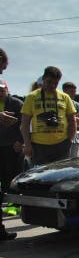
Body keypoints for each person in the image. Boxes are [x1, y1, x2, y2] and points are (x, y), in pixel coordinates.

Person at [20, 66, 77, 166]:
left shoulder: (65, 97)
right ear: (43, 79)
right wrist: (27, 144)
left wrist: (69, 140)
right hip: (39, 146)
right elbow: (25, 123)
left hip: (61, 145)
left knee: (60, 176)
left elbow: (72, 121)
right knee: (41, 178)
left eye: (56, 83)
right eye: (49, 82)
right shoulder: (31, 97)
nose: (52, 85)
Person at [0, 78, 22, 241]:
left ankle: (12, 209)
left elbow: (25, 123)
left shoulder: (16, 103)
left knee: (11, 180)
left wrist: (20, 141)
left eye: (2, 90)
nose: (0, 92)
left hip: (11, 148)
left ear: (7, 90)